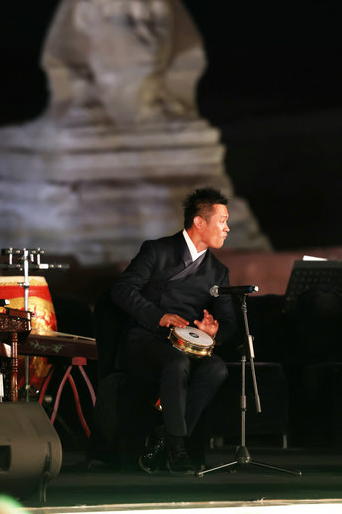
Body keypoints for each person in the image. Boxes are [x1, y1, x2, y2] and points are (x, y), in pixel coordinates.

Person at [110, 187, 237, 473]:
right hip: (146, 339)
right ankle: (177, 446)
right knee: (176, 362)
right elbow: (121, 290)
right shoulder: (157, 251)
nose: (227, 228)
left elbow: (229, 321)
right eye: (222, 220)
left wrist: (213, 331)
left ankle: (163, 441)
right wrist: (159, 316)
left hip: (187, 344)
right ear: (199, 222)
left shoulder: (218, 271)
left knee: (216, 368)